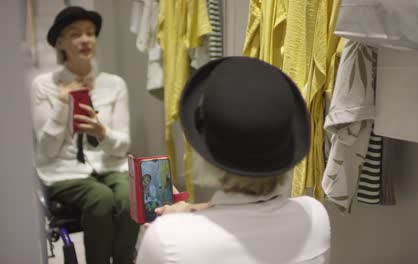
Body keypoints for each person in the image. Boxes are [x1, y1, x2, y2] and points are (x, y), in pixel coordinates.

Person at [136, 57, 331, 264]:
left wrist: (176, 222)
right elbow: (249, 215)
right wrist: (194, 210)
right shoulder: (314, 218)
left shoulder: (168, 239)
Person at [31, 6, 139, 264]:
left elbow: (122, 146)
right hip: (64, 170)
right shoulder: (43, 85)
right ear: (60, 42)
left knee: (131, 196)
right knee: (100, 198)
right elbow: (46, 151)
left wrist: (102, 133)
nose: (85, 40)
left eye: (90, 33)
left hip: (110, 164)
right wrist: (61, 105)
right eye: (76, 34)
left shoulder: (114, 84)